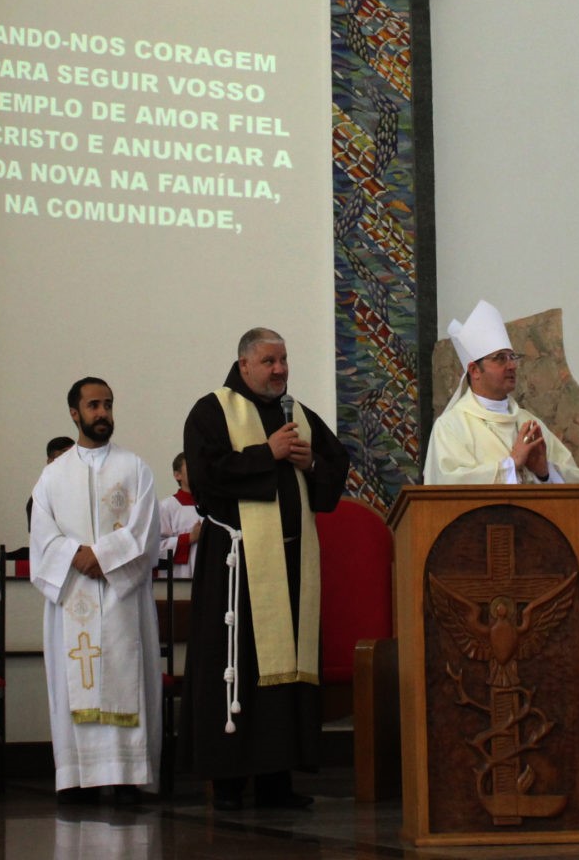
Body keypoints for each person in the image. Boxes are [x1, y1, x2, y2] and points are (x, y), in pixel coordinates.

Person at [182, 327, 349, 811]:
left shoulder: (299, 415)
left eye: (284, 360)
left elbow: (335, 470)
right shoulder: (212, 411)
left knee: (285, 671)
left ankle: (278, 780)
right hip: (235, 566)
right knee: (237, 667)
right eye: (269, 361)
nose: (280, 370)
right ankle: (230, 783)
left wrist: (310, 463)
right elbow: (204, 479)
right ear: (244, 365)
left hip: (292, 564)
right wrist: (266, 454)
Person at [30, 377, 161, 802]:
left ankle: (125, 775)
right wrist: (76, 555)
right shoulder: (53, 476)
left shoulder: (134, 468)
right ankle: (77, 777)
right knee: (74, 680)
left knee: (126, 673)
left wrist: (101, 556)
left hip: (122, 597)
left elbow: (145, 532)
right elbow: (41, 536)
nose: (102, 412)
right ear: (75, 413)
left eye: (107, 404)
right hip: (75, 596)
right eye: (93, 405)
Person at [422, 299, 579, 486]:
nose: (512, 365)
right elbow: (448, 484)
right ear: (474, 371)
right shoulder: (451, 427)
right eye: (500, 358)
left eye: (512, 357)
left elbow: (573, 482)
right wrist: (511, 464)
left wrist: (543, 472)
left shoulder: (529, 423)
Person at [157, 452, 202, 578]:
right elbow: (156, 548)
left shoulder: (215, 507)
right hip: (181, 580)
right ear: (177, 475)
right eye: (191, 466)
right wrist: (189, 538)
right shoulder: (166, 507)